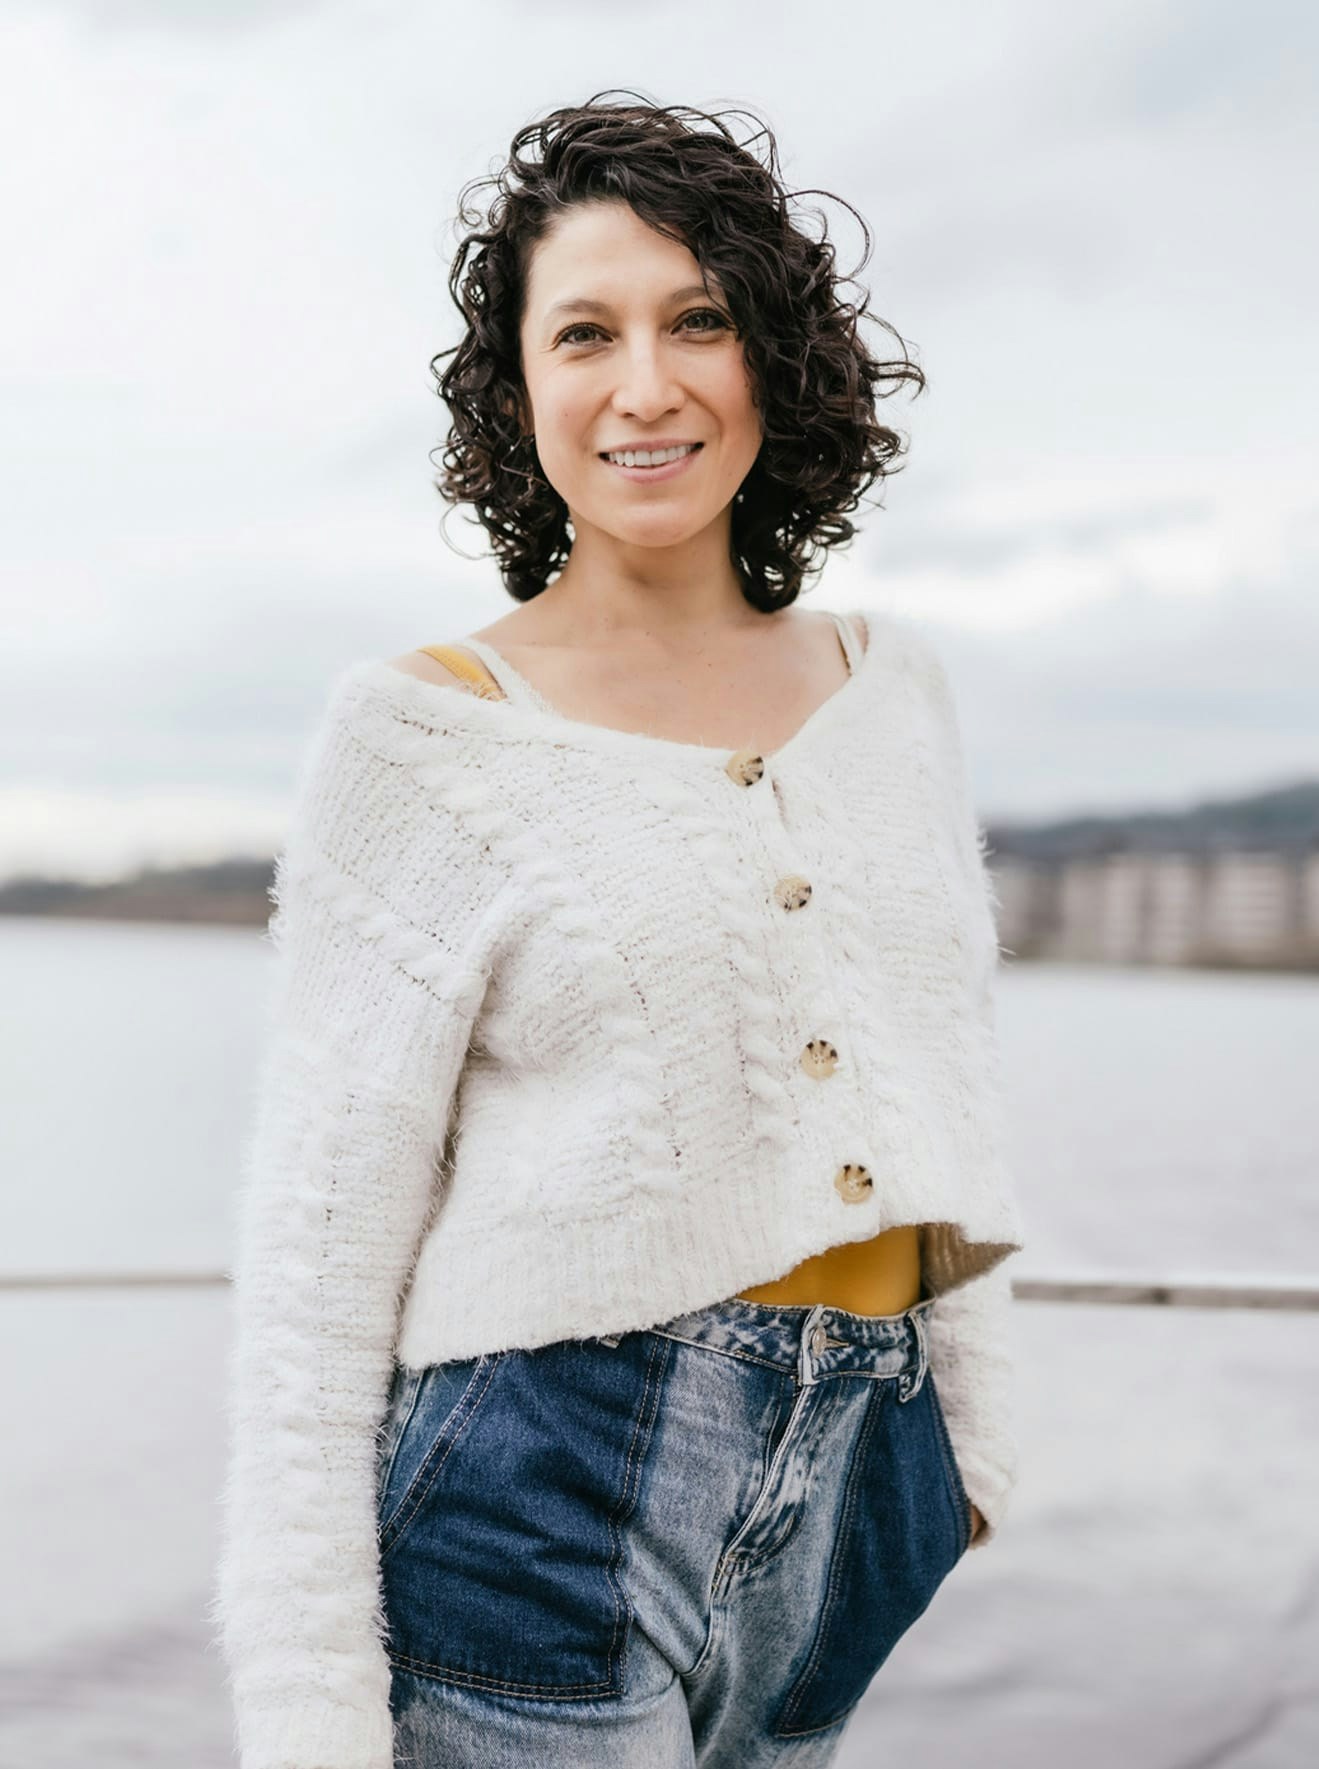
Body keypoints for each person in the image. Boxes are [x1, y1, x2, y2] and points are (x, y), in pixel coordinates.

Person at [210, 92, 1027, 1769]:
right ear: (521, 389)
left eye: (699, 319)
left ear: (771, 360)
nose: (644, 384)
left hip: (862, 1476)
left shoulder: (899, 696)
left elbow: (951, 1071)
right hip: (542, 1481)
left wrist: (968, 1458)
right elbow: (315, 1259)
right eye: (585, 331)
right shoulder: (423, 736)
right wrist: (307, 1714)